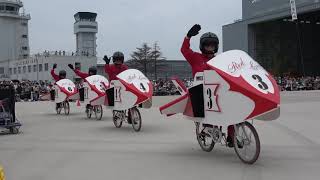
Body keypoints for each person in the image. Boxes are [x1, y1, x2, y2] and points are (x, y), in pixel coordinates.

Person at [181, 24, 236, 148]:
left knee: (234, 110)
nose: (210, 47)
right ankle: (207, 128)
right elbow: (184, 50)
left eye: (212, 45)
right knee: (209, 114)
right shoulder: (195, 57)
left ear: (216, 47)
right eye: (207, 45)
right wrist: (188, 37)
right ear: (202, 46)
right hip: (201, 93)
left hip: (218, 92)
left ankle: (232, 136)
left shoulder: (220, 60)